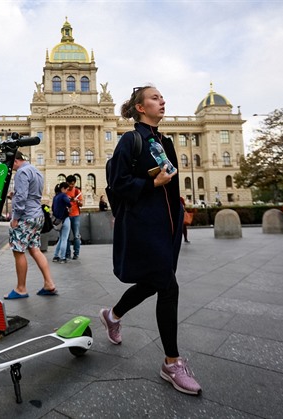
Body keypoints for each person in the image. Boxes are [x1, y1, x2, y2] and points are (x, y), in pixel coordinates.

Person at [99, 85, 201, 395]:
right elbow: (116, 183)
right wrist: (150, 182)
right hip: (144, 225)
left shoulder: (164, 141)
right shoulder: (131, 139)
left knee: (154, 283)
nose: (163, 101)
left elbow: (168, 183)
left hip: (166, 225)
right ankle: (172, 363)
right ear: (140, 107)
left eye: (162, 97)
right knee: (168, 286)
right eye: (155, 97)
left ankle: (112, 315)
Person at [4, 151, 57, 299]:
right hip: (37, 215)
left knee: (18, 250)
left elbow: (21, 197)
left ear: (15, 161)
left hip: (25, 217)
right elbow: (31, 194)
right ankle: (49, 283)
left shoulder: (21, 172)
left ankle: (21, 288)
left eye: (9, 164)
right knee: (35, 249)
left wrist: (15, 218)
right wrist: (14, 196)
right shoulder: (36, 171)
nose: (9, 168)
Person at [52, 182, 71, 263]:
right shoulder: (63, 195)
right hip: (65, 219)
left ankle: (56, 256)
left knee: (60, 239)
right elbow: (68, 203)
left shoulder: (55, 197)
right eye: (67, 189)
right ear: (63, 188)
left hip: (58, 221)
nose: (67, 191)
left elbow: (53, 208)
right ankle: (63, 257)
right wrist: (69, 207)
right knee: (64, 239)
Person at [64, 175, 82, 260]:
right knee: (66, 236)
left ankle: (76, 253)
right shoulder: (64, 191)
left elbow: (81, 204)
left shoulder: (77, 191)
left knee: (76, 236)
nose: (72, 186)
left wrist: (77, 201)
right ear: (67, 183)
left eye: (73, 184)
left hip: (75, 215)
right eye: (70, 184)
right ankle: (67, 253)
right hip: (66, 216)